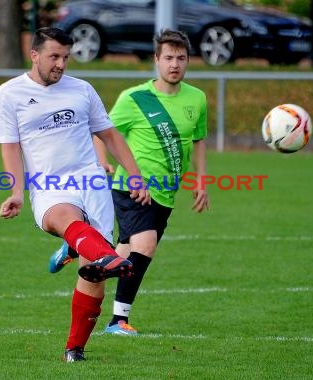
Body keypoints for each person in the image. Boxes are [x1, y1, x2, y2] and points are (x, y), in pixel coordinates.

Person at [0, 27, 150, 362]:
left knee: (92, 276)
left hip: (91, 182)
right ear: (34, 55)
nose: (61, 63)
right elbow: (10, 149)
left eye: (66, 56)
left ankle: (75, 348)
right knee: (67, 222)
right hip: (48, 187)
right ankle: (106, 255)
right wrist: (16, 192)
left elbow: (109, 135)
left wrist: (134, 177)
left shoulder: (82, 90)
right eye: (54, 56)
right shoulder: (10, 94)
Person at [49, 29, 210, 335]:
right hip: (131, 187)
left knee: (122, 256)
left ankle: (73, 247)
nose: (174, 64)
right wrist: (102, 162)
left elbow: (199, 140)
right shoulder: (135, 98)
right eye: (168, 58)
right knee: (145, 245)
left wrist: (201, 181)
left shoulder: (197, 99)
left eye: (181, 58)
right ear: (156, 60)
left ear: (188, 61)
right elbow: (103, 130)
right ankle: (117, 320)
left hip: (166, 192)